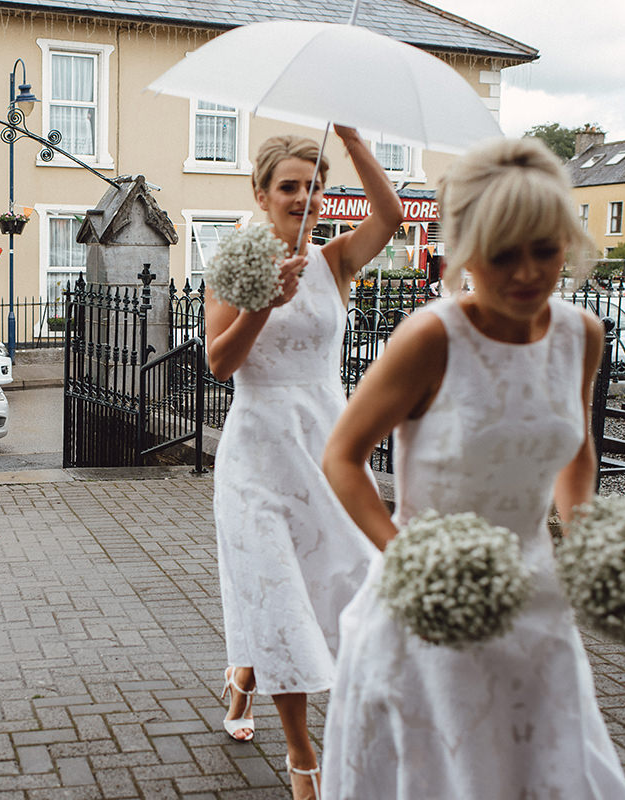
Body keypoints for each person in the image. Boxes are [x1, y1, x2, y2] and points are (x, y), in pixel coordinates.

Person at [319, 137, 625, 799]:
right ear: (466, 250)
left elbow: (575, 450)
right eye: (504, 255)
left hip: (536, 608)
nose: (527, 273)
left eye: (545, 250)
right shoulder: (431, 338)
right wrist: (407, 558)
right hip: (432, 609)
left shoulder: (581, 333)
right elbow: (342, 457)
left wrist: (587, 540)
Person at [205, 127, 401, 799]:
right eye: (289, 186)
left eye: (315, 185)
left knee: (341, 588)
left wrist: (350, 139)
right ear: (262, 195)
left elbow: (393, 217)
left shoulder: (337, 260)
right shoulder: (235, 262)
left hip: (326, 447)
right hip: (257, 453)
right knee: (277, 594)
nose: (305, 196)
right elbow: (219, 363)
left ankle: (243, 677)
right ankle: (302, 755)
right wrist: (265, 302)